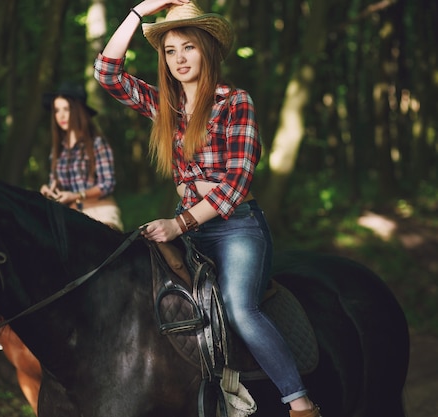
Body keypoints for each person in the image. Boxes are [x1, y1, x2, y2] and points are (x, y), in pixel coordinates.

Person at [94, 1, 321, 416]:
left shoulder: (235, 102)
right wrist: (139, 10)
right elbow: (106, 73)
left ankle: (299, 402)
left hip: (237, 228)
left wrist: (178, 223)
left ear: (208, 49)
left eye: (189, 48)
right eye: (169, 50)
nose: (179, 59)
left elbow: (234, 185)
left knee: (239, 307)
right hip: (193, 228)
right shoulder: (165, 104)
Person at [40, 82, 123, 231]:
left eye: (67, 109)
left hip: (99, 212)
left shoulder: (96, 143)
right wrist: (50, 191)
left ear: (77, 111)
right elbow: (56, 184)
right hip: (70, 216)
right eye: (57, 110)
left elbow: (107, 184)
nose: (61, 115)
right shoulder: (58, 150)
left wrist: (77, 195)